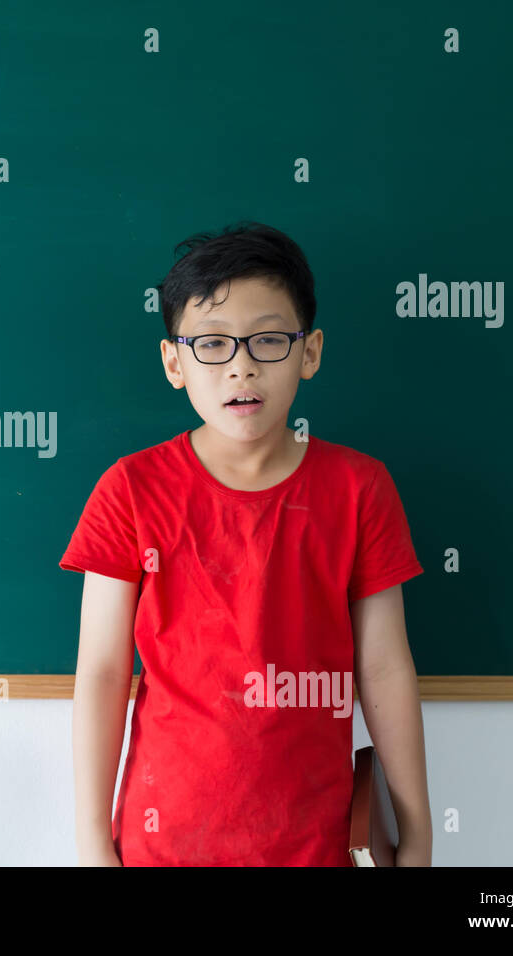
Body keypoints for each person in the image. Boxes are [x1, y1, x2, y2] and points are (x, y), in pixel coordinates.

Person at [60, 222, 432, 866]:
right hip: (165, 844)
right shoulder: (130, 490)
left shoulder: (359, 488)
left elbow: (384, 669)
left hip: (314, 843)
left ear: (309, 352)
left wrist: (419, 833)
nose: (241, 364)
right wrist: (94, 842)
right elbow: (101, 671)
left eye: (268, 339)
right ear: (174, 362)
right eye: (211, 343)